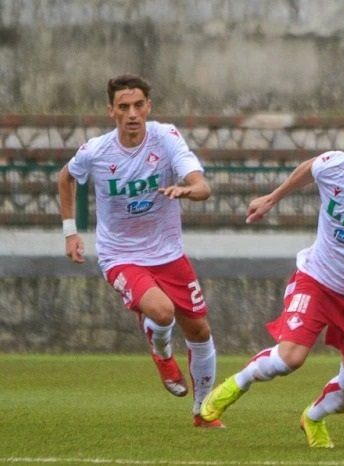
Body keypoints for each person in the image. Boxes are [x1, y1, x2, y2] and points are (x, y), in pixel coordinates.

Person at [200, 115, 344, 448]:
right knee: (289, 358)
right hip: (317, 279)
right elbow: (309, 168)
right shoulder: (333, 165)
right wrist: (273, 197)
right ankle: (235, 384)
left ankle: (313, 417)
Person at [57, 74, 222, 428]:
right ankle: (162, 352)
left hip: (168, 252)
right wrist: (70, 233)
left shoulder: (166, 137)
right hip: (120, 255)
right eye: (124, 107)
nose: (132, 114)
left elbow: (203, 187)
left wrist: (188, 190)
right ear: (111, 111)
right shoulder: (96, 151)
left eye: (138, 105)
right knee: (162, 312)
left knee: (200, 331)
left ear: (148, 106)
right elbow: (65, 177)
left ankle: (203, 412)